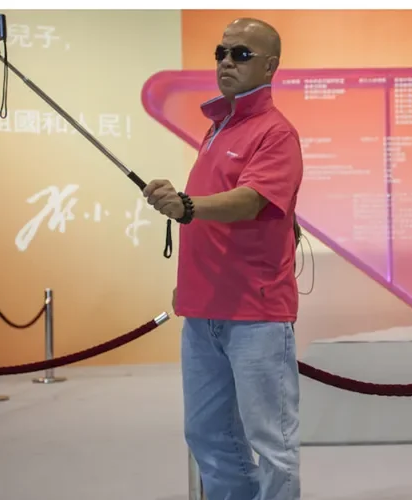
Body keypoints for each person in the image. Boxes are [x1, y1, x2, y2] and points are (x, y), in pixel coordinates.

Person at [143, 17, 302, 500]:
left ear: (270, 66)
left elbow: (250, 200)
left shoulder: (276, 133)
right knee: (207, 434)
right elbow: (213, 215)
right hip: (203, 312)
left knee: (271, 443)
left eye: (241, 55)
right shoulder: (218, 128)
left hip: (255, 314)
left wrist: (187, 206)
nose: (226, 62)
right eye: (221, 52)